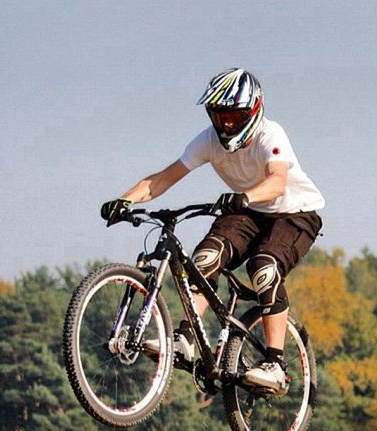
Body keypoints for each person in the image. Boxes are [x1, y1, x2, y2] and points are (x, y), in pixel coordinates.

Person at [101, 68, 324, 391]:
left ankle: (274, 363)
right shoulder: (208, 140)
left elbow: (277, 182)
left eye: (234, 115)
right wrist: (125, 200)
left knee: (264, 267)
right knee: (204, 258)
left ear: (253, 110)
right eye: (220, 116)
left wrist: (245, 196)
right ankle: (185, 339)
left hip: (293, 213)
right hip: (247, 209)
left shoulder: (270, 134)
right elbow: (163, 178)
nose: (227, 124)